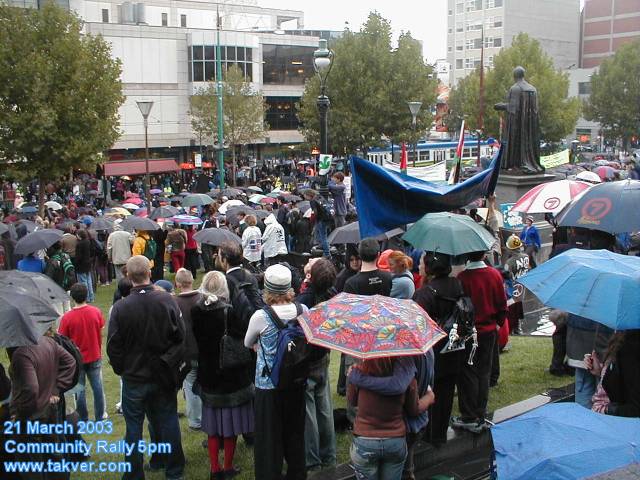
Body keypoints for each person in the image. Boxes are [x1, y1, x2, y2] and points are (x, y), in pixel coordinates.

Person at [107, 255, 186, 480]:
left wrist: (166, 362)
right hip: (142, 375)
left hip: (148, 374)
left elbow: (180, 338)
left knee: (141, 426)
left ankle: (160, 470)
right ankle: (170, 470)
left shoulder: (160, 302)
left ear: (130, 277)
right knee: (157, 422)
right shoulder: (128, 307)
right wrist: (122, 368)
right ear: (148, 273)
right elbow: (114, 346)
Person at [244, 264, 308, 480]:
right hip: (296, 381)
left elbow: (248, 342)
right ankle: (297, 473)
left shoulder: (261, 316)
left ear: (267, 289)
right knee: (295, 433)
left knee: (268, 438)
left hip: (268, 384)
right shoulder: (303, 310)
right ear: (290, 287)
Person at [192, 271, 255, 479]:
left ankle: (215, 468)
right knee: (230, 427)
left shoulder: (196, 311)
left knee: (213, 428)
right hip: (230, 376)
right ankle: (226, 466)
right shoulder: (230, 313)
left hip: (209, 374)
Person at [413, 252, 467, 445]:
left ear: (429, 267)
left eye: (421, 263)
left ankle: (429, 436)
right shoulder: (457, 284)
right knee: (446, 393)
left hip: (433, 351)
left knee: (429, 392)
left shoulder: (425, 294)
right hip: (455, 346)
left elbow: (416, 324)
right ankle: (440, 433)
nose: (418, 266)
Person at [347, 357, 432, 480]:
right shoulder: (406, 378)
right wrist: (430, 397)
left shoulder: (357, 374)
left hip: (364, 442)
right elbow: (414, 410)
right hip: (395, 442)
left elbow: (352, 401)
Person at [452, 250, 507, 433]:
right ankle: (480, 412)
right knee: (484, 372)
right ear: (484, 254)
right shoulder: (494, 274)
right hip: (489, 331)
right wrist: (498, 323)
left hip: (469, 332)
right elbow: (502, 303)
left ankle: (469, 415)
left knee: (468, 372)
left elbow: (459, 307)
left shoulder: (462, 278)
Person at [8, 334, 76, 476]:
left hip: (31, 416)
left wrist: (20, 415)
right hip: (50, 410)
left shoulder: (21, 355)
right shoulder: (48, 342)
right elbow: (70, 362)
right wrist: (56, 390)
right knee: (54, 457)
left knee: (32, 465)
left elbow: (31, 389)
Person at [296, 259, 337, 472]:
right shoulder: (332, 293)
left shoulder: (305, 299)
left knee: (310, 412)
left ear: (311, 276)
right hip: (323, 354)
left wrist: (307, 281)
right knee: (325, 408)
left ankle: (313, 460)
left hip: (308, 359)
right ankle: (328, 455)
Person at [58, 282, 106, 421]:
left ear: (72, 297)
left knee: (80, 390)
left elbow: (63, 339)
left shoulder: (67, 318)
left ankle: (83, 417)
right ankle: (99, 416)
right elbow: (100, 328)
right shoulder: (95, 312)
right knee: (97, 386)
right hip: (94, 354)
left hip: (77, 359)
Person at [173, 268, 203, 431]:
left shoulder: (174, 303)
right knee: (203, 384)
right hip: (203, 349)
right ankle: (204, 419)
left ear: (177, 284)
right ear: (191, 281)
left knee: (190, 385)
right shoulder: (202, 299)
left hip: (186, 351)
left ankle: (195, 421)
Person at [586, 330, 640, 417]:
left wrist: (608, 410)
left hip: (615, 420)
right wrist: (601, 371)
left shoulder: (629, 346)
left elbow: (634, 406)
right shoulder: (623, 342)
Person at [566, 313, 613, 409]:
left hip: (579, 337)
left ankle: (583, 420)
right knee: (605, 392)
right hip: (607, 341)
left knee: (584, 387)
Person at [75, 229, 95, 303]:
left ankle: (87, 297)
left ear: (79, 235)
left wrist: (76, 262)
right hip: (88, 263)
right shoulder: (88, 241)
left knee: (83, 282)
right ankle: (91, 296)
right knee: (89, 280)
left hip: (81, 265)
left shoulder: (79, 244)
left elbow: (78, 256)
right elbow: (92, 251)